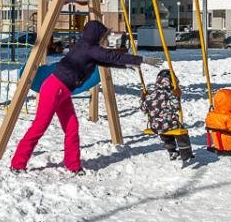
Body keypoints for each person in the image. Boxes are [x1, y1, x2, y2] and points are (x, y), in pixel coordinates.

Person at [10, 20, 156, 174]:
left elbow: (104, 60)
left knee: (72, 127)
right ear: (96, 35)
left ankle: (72, 165)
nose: (104, 38)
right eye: (103, 35)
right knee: (39, 126)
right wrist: (141, 60)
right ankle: (17, 164)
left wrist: (126, 65)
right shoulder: (90, 48)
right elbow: (111, 56)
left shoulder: (86, 47)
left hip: (62, 90)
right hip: (54, 89)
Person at [140, 69, 195, 165]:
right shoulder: (169, 94)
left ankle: (172, 151)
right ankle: (186, 153)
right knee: (181, 132)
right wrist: (177, 96)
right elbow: (176, 107)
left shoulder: (150, 95)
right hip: (170, 124)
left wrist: (143, 99)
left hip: (155, 126)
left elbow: (143, 109)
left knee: (164, 132)